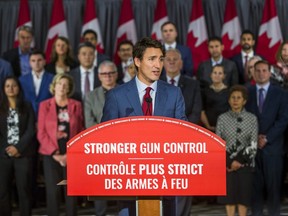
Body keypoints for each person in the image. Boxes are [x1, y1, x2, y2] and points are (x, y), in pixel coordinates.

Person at [102, 37, 187, 216]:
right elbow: (105, 139)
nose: (158, 65)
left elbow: (182, 135)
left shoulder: (174, 93)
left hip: (165, 182)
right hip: (129, 182)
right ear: (137, 61)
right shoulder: (116, 96)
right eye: (152, 59)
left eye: (160, 59)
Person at [37, 73, 84, 216]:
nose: (62, 87)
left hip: (72, 152)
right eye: (59, 84)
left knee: (71, 190)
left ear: (69, 88)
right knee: (53, 191)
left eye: (65, 85)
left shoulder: (76, 105)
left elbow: (81, 129)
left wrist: (71, 154)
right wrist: (56, 154)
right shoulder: (44, 105)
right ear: (54, 86)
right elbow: (41, 132)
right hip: (51, 153)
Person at [245, 60, 288, 216]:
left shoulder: (281, 93)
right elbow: (243, 118)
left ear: (270, 73)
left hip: (273, 148)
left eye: (264, 70)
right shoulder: (246, 92)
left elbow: (283, 119)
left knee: (273, 188)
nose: (261, 73)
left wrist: (267, 138)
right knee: (255, 188)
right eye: (258, 71)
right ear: (253, 73)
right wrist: (254, 136)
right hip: (252, 148)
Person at [162, 48, 201, 215]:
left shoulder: (192, 84)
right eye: (167, 59)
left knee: (182, 183)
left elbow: (196, 111)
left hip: (185, 142)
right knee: (163, 183)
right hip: (160, 142)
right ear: (162, 63)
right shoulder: (153, 83)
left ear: (181, 63)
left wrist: (181, 132)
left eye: (175, 59)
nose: (171, 61)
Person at [216, 85, 258, 216]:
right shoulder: (222, 118)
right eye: (233, 97)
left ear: (244, 101)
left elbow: (253, 144)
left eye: (239, 98)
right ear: (228, 100)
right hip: (227, 166)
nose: (235, 100)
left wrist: (238, 161)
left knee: (243, 199)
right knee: (229, 199)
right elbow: (218, 143)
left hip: (245, 165)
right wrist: (229, 162)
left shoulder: (252, 119)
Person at [84, 60, 118, 216]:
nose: (108, 76)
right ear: (99, 76)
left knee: (122, 185)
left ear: (116, 74)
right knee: (100, 184)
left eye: (111, 73)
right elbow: (90, 124)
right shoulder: (91, 96)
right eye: (104, 74)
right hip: (100, 147)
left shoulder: (129, 92)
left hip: (123, 146)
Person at [0, 76, 36, 216]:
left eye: (14, 85)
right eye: (7, 86)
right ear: (3, 89)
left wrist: (18, 148)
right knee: (3, 191)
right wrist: (7, 149)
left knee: (24, 191)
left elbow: (31, 130)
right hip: (3, 155)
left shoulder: (27, 106)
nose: (10, 88)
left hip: (23, 154)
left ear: (19, 88)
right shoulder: (0, 107)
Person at [19, 50, 54, 118]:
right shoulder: (22, 80)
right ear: (29, 63)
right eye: (33, 61)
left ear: (44, 61)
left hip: (48, 116)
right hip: (27, 117)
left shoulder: (53, 78)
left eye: (39, 60)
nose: (36, 63)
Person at [201, 64, 229, 132]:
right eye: (215, 73)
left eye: (220, 73)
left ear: (224, 76)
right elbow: (202, 111)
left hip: (226, 129)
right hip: (208, 128)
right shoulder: (204, 91)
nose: (217, 75)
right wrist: (208, 126)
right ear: (211, 75)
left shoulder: (229, 91)